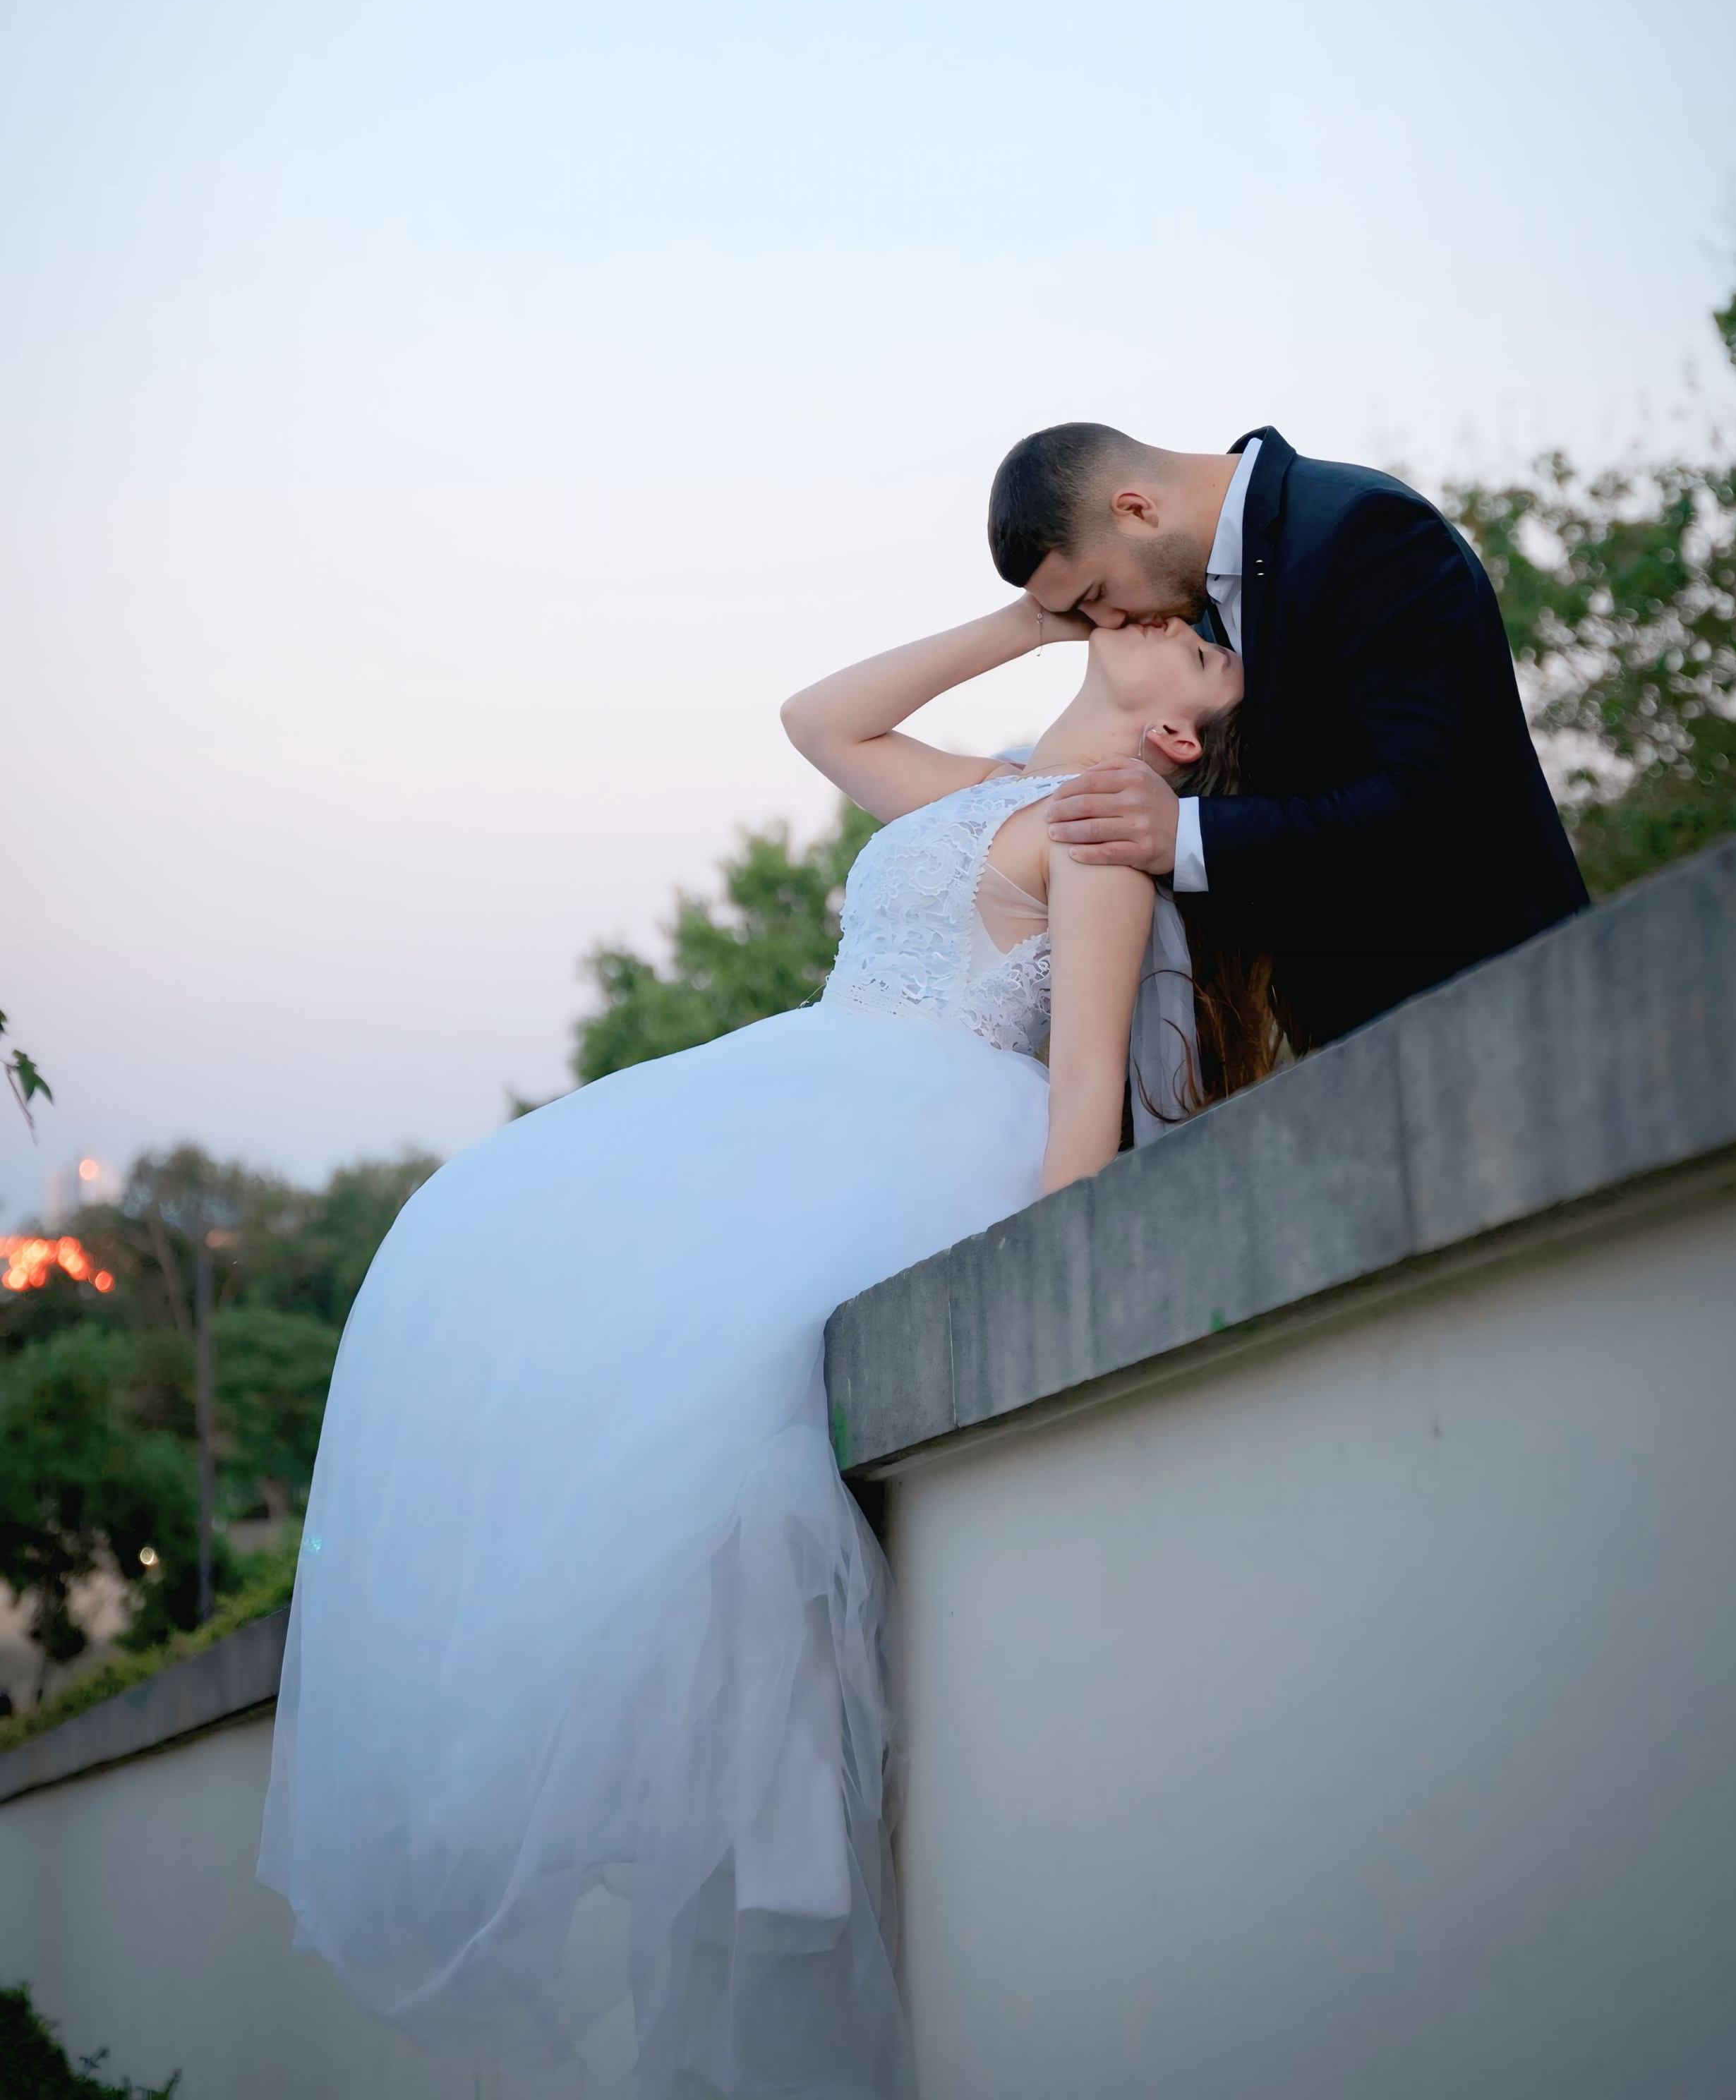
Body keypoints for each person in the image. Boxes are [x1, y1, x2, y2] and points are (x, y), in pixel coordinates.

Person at [258, 593, 1256, 2099]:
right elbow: (820, 721)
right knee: (511, 1264)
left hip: (914, 1142)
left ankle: (770, 1831)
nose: (1164, 612)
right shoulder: (978, 793)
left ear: (1177, 732)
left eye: (1195, 635)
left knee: (727, 1414)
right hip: (802, 1095)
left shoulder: (1101, 830)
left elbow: (1080, 1111)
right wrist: (1023, 618)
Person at [989, 423, 1589, 1049]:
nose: (1105, 626)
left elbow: (1432, 796)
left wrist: (1184, 835)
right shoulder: (1192, 604)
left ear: (1137, 511)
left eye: (1097, 596)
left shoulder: (1363, 530)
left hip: (1506, 1006)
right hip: (1351, 1053)